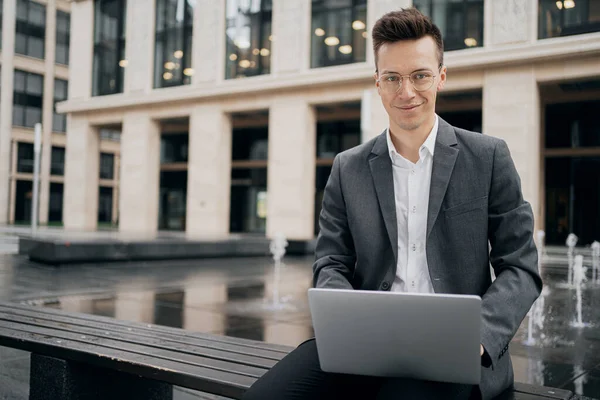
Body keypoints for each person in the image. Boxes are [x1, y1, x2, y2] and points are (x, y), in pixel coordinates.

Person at [243, 7, 542, 400]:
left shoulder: (487, 157)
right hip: (362, 341)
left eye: (420, 75)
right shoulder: (347, 168)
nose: (407, 92)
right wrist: (348, 318)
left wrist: (479, 336)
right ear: (378, 83)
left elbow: (520, 266)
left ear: (441, 77)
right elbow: (330, 262)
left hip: (454, 350)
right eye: (393, 78)